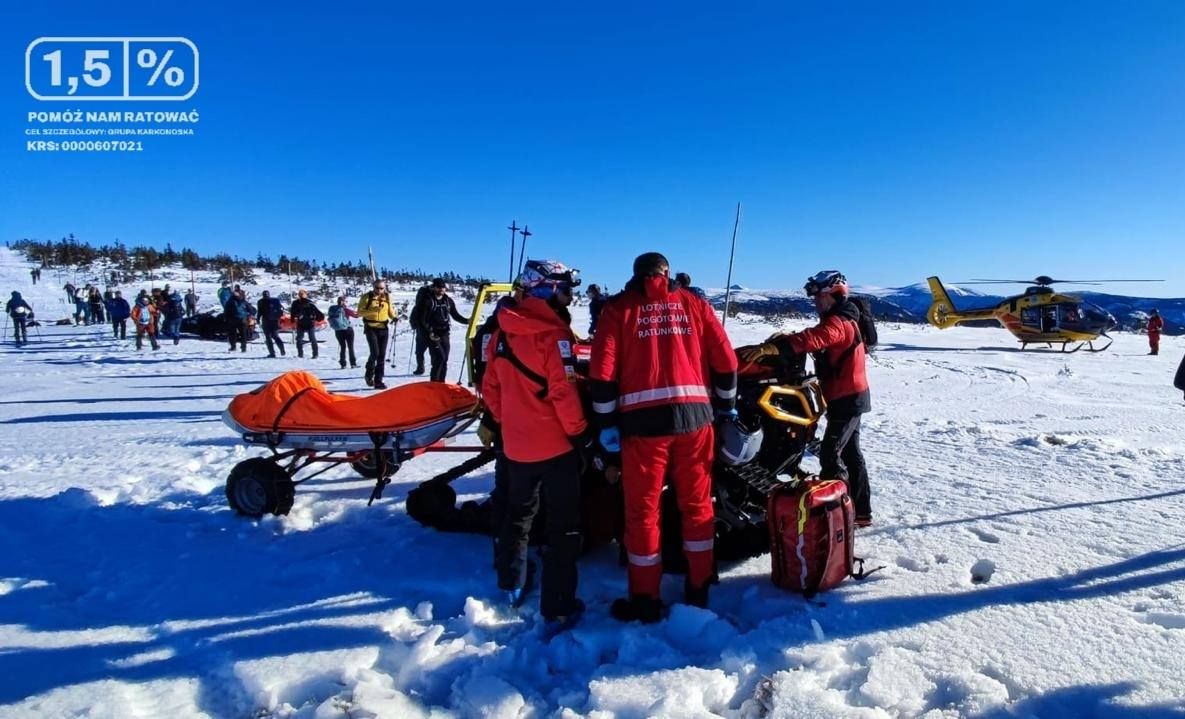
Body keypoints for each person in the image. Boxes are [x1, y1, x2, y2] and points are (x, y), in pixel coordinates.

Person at [589, 252, 738, 622]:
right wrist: (726, 407)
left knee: (642, 513)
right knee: (698, 505)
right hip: (695, 421)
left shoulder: (616, 309)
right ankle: (700, 585)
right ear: (667, 273)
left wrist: (605, 425)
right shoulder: (693, 303)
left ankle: (645, 597)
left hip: (642, 429)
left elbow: (602, 374)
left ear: (635, 275)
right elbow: (727, 362)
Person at [482, 259, 588, 625]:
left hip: (516, 447)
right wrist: (579, 432)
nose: (568, 297)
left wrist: (508, 423)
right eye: (564, 289)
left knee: (517, 515)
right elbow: (564, 392)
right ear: (545, 289)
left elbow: (490, 389)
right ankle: (558, 603)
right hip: (556, 446)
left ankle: (510, 584)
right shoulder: (552, 336)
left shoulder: (501, 332)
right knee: (563, 525)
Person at [740, 270, 873, 527]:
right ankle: (861, 511)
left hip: (848, 398)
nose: (816, 302)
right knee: (851, 454)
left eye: (819, 297)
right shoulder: (841, 317)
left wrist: (775, 348)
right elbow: (815, 334)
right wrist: (785, 339)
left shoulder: (839, 322)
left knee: (831, 455)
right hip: (848, 396)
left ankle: (838, 515)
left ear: (835, 294)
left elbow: (816, 338)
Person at [414, 278, 470, 382]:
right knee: (439, 359)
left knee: (444, 360)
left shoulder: (448, 301)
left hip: (444, 333)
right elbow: (422, 320)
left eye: (443, 287)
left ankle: (441, 384)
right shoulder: (427, 301)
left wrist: (467, 321)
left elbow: (455, 315)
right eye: (439, 287)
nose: (441, 289)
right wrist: (430, 332)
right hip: (432, 334)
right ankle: (434, 385)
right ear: (434, 287)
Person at [357, 279, 398, 389]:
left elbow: (390, 312)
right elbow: (359, 312)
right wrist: (374, 310)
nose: (379, 290)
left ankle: (378, 380)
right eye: (377, 288)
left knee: (381, 355)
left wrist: (394, 317)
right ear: (373, 287)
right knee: (375, 353)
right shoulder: (366, 297)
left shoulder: (388, 297)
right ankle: (369, 373)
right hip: (370, 327)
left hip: (383, 328)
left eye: (381, 288)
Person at [290, 289, 325, 359]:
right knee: (299, 339)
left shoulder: (310, 303)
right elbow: (292, 313)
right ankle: (300, 354)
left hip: (309, 324)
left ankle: (315, 354)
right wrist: (293, 321)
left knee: (312, 339)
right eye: (300, 294)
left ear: (306, 294)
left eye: (302, 294)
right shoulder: (295, 303)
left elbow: (320, 314)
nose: (301, 295)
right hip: (301, 324)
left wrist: (315, 318)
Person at [327, 296, 359, 369]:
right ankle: (353, 363)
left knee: (342, 347)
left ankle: (343, 364)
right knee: (350, 347)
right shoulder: (346, 310)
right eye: (346, 301)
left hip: (338, 331)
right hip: (348, 330)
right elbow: (356, 316)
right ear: (344, 302)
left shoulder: (333, 309)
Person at [409, 283, 434, 375]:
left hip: (422, 330)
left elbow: (413, 316)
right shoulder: (431, 301)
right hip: (427, 329)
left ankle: (421, 368)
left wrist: (413, 324)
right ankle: (430, 367)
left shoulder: (420, 304)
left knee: (420, 351)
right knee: (430, 350)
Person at [256, 290, 286, 357]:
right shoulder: (275, 301)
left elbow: (259, 312)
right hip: (275, 321)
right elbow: (281, 310)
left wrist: (258, 319)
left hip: (266, 321)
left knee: (268, 338)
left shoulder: (260, 302)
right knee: (275, 336)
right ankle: (282, 349)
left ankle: (272, 353)